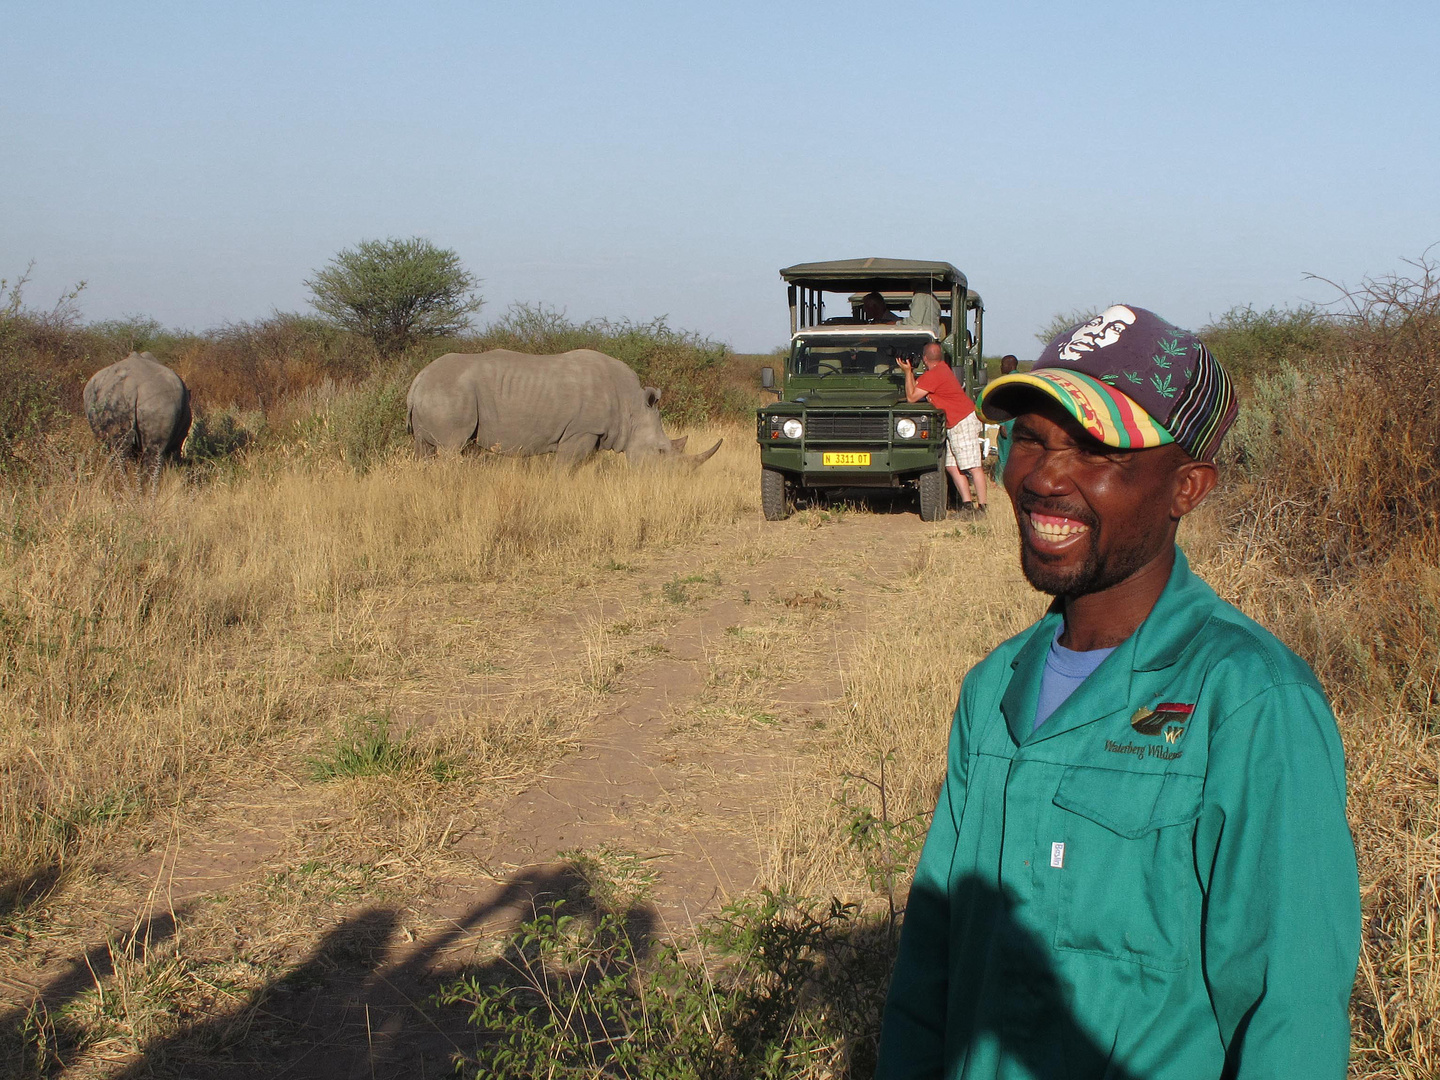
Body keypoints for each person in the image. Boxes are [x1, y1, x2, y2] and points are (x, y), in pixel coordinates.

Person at [876, 306, 1360, 1080]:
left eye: (1096, 449)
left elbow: (1290, 1015)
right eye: (1030, 437)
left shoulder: (1249, 702)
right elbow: (930, 969)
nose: (1041, 476)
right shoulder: (993, 689)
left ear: (1186, 488)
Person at [898, 342, 986, 513]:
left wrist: (908, 372)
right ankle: (967, 505)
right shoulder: (941, 370)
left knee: (973, 466)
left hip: (962, 420)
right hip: (957, 421)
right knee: (952, 466)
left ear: (924, 358)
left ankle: (982, 507)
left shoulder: (934, 375)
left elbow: (911, 396)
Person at [991, 354, 1019, 476]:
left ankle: (1000, 480)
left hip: (1008, 421)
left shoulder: (1006, 382)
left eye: (1002, 364)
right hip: (1019, 422)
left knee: (1004, 454)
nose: (1000, 367)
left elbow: (1005, 404)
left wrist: (1002, 424)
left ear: (1009, 365)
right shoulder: (1023, 379)